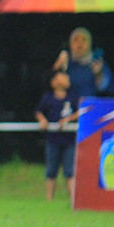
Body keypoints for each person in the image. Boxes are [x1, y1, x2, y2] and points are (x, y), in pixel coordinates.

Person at [35, 70, 79, 201]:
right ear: (54, 82)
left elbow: (80, 111)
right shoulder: (48, 97)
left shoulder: (72, 97)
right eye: (62, 77)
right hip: (52, 140)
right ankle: (49, 199)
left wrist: (68, 119)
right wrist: (42, 120)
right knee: (51, 171)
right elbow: (38, 111)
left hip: (69, 140)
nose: (66, 78)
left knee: (69, 171)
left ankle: (72, 199)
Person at [52, 27, 113, 99]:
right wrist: (57, 67)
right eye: (76, 40)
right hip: (67, 107)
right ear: (70, 43)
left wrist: (98, 75)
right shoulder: (65, 62)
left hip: (90, 107)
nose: (80, 44)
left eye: (84, 40)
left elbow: (106, 90)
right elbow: (48, 87)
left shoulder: (97, 63)